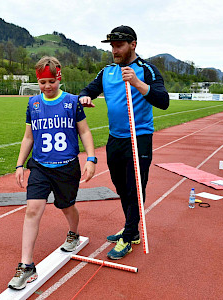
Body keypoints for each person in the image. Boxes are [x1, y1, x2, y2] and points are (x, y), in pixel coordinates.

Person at [79, 25, 169, 260]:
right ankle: (131, 226)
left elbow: (163, 100)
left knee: (135, 189)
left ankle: (129, 235)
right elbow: (88, 89)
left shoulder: (147, 70)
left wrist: (138, 83)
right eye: (112, 46)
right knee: (120, 186)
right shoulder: (106, 72)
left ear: (133, 45)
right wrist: (85, 97)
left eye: (119, 46)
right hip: (115, 139)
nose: (114, 51)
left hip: (139, 139)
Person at [8, 56, 97, 290]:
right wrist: (19, 164)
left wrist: (91, 158)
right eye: (42, 82)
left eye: (51, 81)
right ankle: (26, 265)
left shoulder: (72, 102)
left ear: (59, 78)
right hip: (39, 166)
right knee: (32, 210)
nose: (47, 86)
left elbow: (85, 132)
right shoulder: (33, 104)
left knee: (66, 206)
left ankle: (74, 233)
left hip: (67, 166)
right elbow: (28, 137)